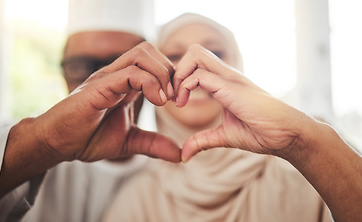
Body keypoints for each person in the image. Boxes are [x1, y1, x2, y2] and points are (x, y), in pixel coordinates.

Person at [103, 13, 337, 221]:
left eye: (214, 53)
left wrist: (306, 141)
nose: (191, 66)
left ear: (238, 69)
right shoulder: (136, 200)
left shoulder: (307, 169)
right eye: (174, 55)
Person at [0, 0, 180, 221]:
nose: (102, 83)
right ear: (63, 70)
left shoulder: (179, 175)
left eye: (123, 65)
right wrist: (48, 143)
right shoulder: (22, 148)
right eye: (80, 66)